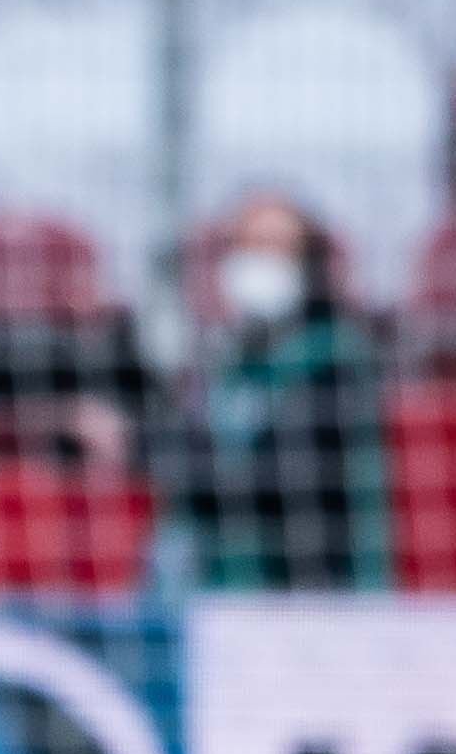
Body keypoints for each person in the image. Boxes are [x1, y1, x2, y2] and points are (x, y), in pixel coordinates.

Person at [161, 192, 390, 590]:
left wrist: (181, 470)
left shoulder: (336, 356)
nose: (260, 263)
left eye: (278, 249)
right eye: (249, 247)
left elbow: (290, 476)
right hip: (223, 587)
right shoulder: (228, 361)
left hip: (311, 588)